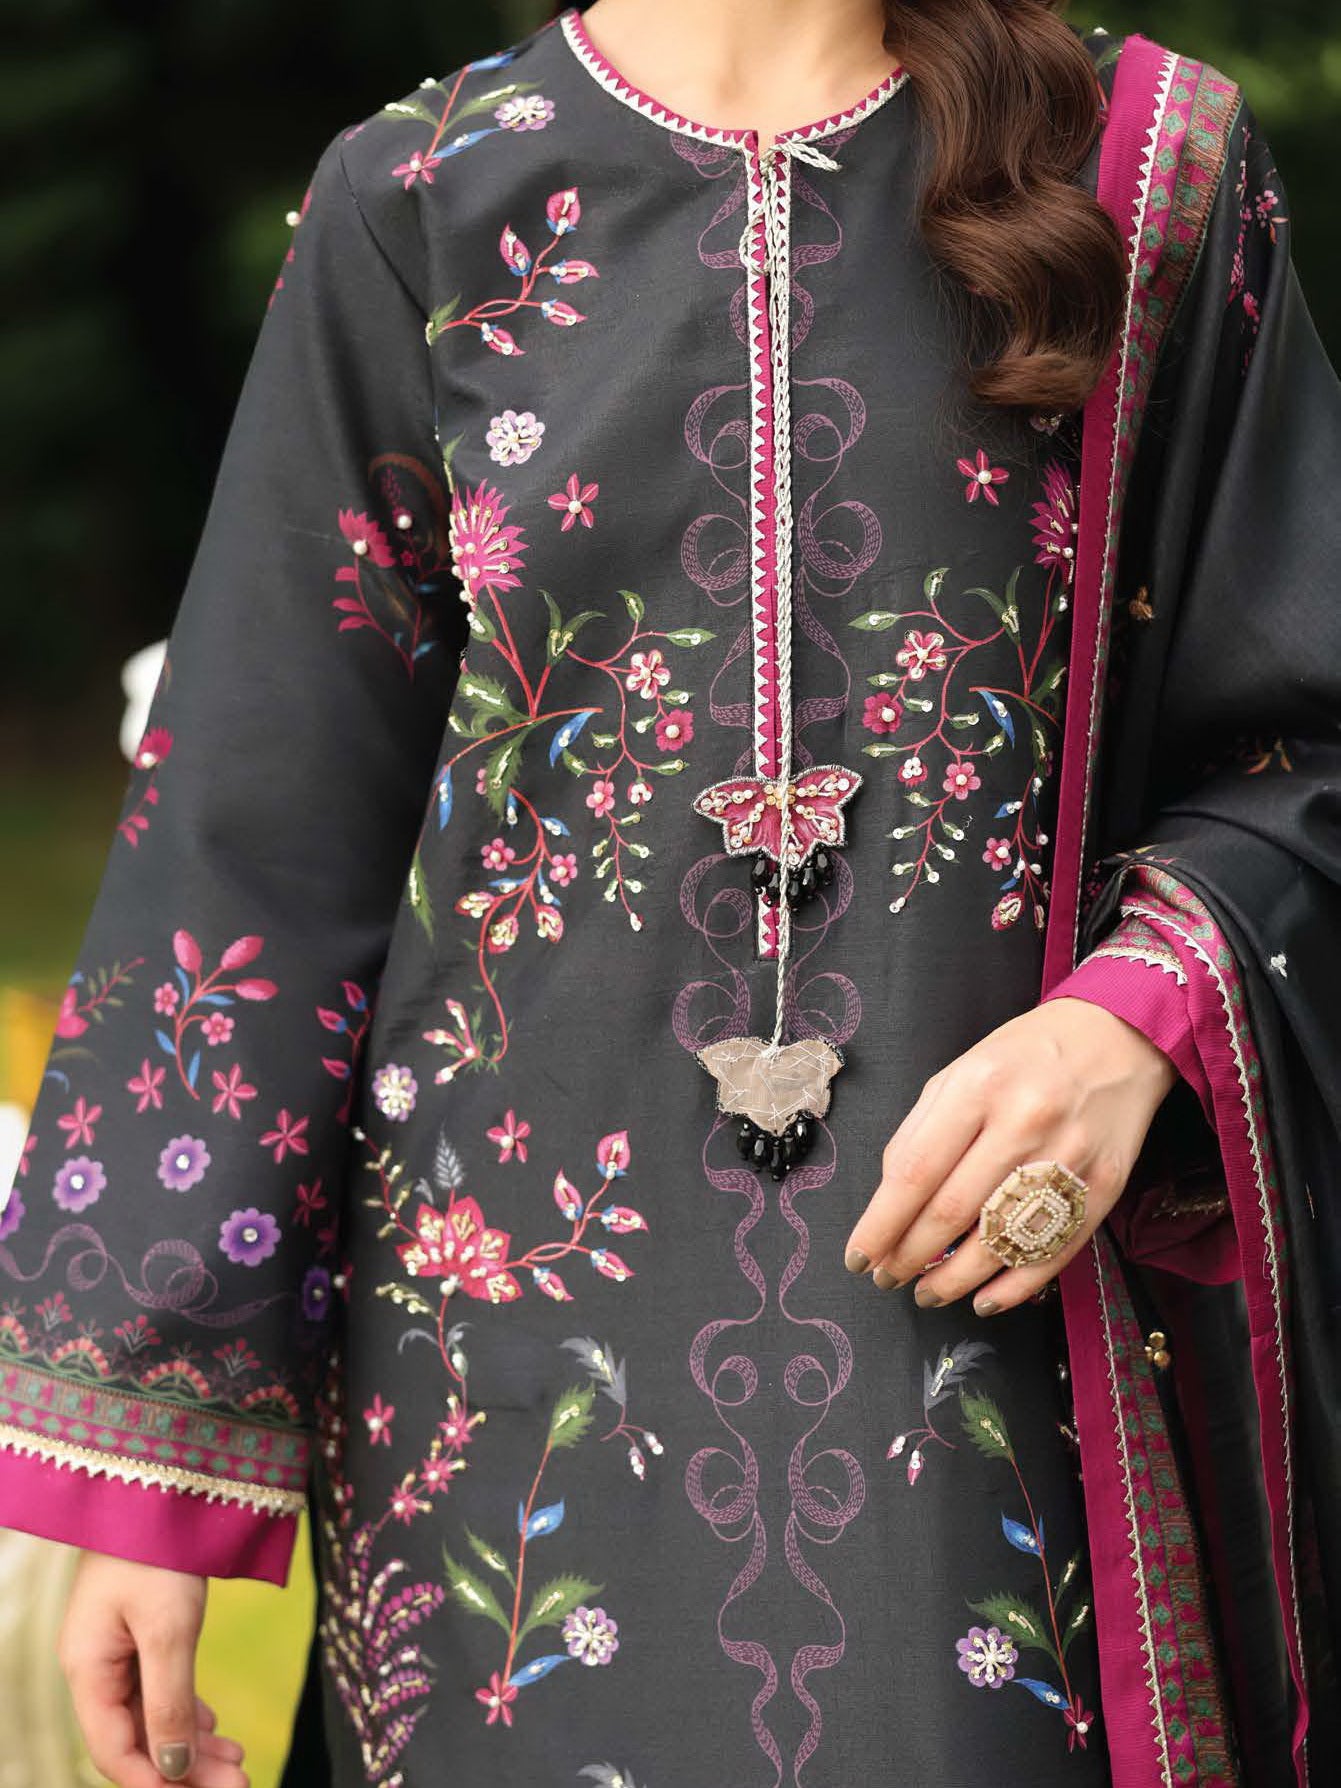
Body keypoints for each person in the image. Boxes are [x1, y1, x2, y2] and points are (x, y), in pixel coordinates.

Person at [1, 0, 1337, 1782]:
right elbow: (257, 845)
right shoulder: (422, 201)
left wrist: (1133, 1020)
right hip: (504, 1397)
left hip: (994, 1348)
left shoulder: (1139, 170)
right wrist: (148, 1461)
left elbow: (1308, 735)